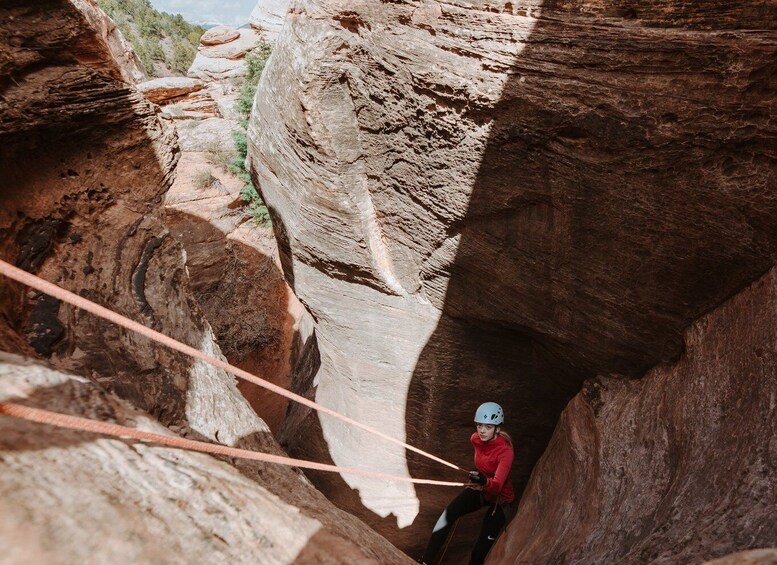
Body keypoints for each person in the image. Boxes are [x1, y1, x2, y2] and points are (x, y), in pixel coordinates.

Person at [418, 402, 515, 565]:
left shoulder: (506, 452)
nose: (482, 430)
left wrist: (484, 480)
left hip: (500, 500)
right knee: (448, 515)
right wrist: (479, 478)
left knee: (478, 553)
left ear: (497, 429)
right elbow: (485, 463)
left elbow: (498, 485)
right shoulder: (476, 439)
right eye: (479, 425)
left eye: (488, 427)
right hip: (483, 491)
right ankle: (425, 562)